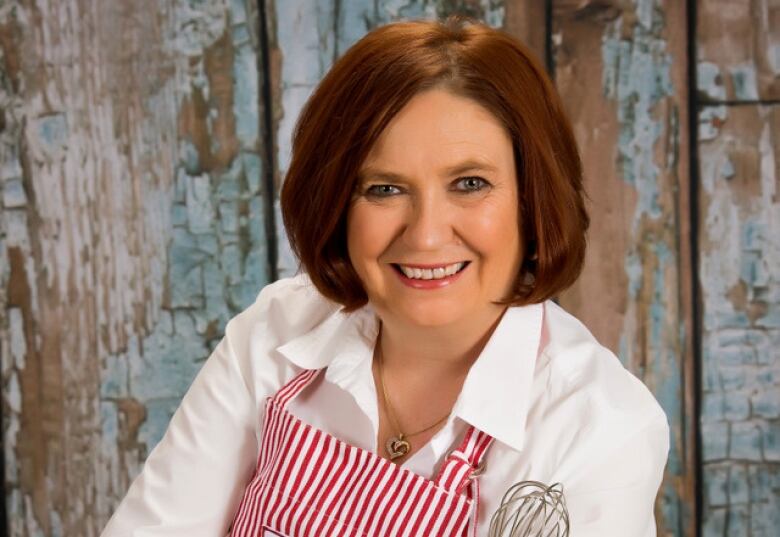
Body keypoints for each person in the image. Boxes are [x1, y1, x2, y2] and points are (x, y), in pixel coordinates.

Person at [102, 16, 669, 537]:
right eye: (384, 188)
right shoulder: (274, 334)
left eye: (469, 183)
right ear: (337, 206)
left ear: (532, 199)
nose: (425, 235)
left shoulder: (598, 427)